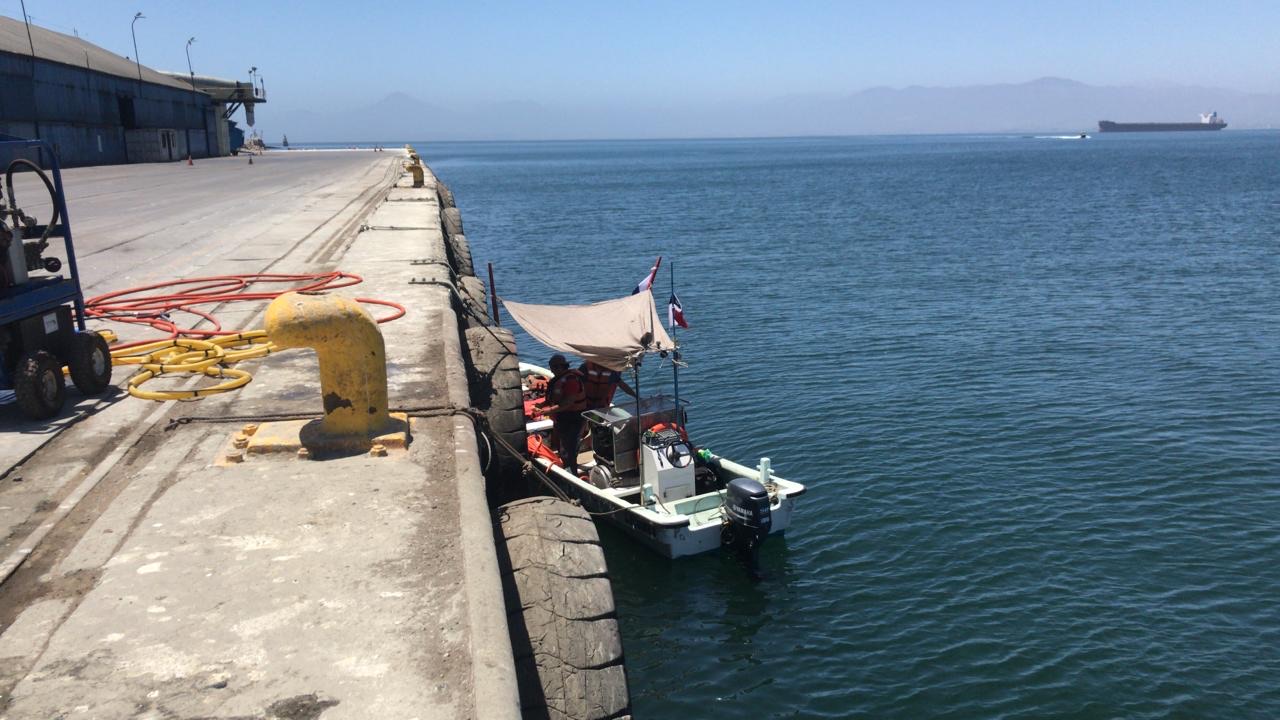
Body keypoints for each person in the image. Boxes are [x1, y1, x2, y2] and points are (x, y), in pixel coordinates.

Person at [540, 354, 588, 476]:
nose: (552, 370)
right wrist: (542, 405)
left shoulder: (571, 381)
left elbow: (568, 403)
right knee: (563, 446)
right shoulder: (559, 379)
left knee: (569, 449)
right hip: (562, 418)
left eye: (553, 367)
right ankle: (567, 468)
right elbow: (554, 399)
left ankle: (572, 475)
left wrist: (549, 410)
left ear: (560, 367)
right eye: (551, 367)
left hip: (573, 418)